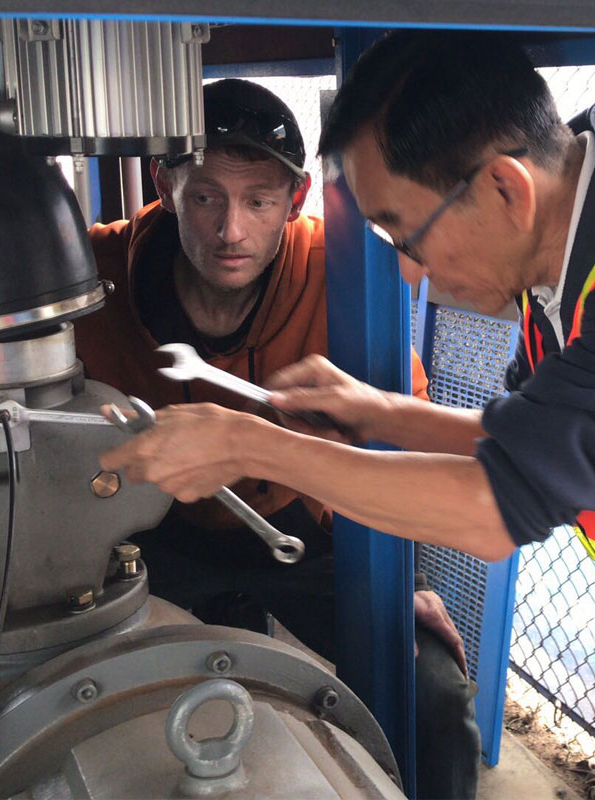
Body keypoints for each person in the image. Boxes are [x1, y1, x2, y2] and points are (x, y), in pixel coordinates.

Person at [99, 31, 595, 799]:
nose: (410, 270)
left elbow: (494, 507)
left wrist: (252, 444)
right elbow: (531, 439)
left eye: (405, 233)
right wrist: (378, 413)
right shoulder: (593, 209)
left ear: (505, 189)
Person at [76, 78, 480, 800]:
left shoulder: (346, 274)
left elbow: (403, 431)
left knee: (434, 692)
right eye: (205, 197)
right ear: (168, 188)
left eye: (258, 200)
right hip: (153, 533)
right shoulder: (93, 274)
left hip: (306, 527)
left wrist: (402, 573)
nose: (230, 230)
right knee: (102, 700)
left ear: (294, 202)